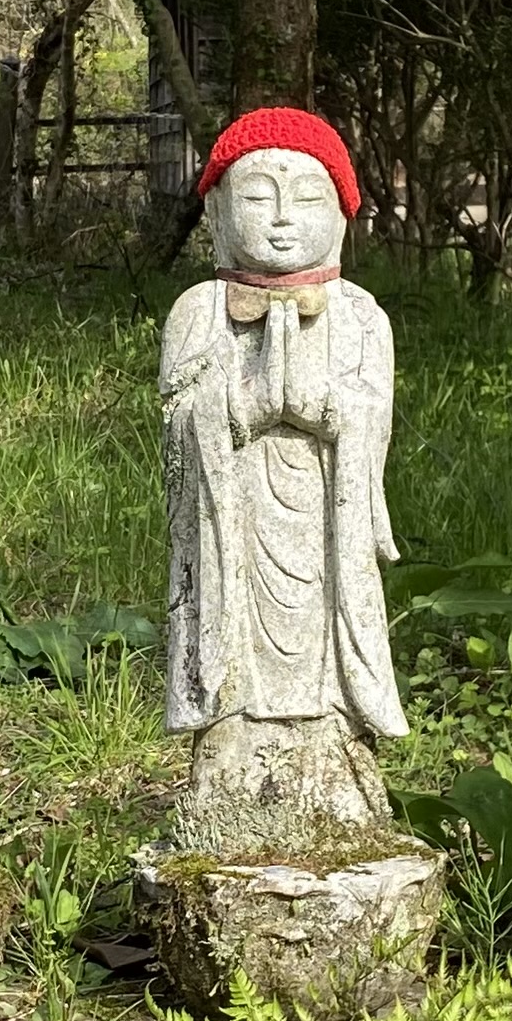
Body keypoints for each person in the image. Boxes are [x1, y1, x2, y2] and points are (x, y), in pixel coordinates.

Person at [160, 108, 404, 854]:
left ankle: (333, 755)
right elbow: (177, 426)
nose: (281, 219)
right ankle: (229, 760)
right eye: (258, 197)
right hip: (233, 527)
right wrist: (243, 408)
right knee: (230, 637)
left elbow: (374, 418)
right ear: (216, 213)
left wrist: (326, 410)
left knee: (327, 642)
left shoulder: (361, 317)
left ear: (342, 215)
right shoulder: (198, 311)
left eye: (305, 198)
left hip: (327, 523)